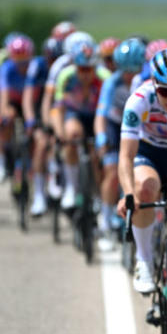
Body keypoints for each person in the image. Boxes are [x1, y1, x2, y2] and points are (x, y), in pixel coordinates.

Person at [115, 47, 167, 295]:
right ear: (154, 84)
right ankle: (144, 260)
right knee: (145, 189)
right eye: (164, 91)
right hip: (150, 154)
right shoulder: (139, 100)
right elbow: (126, 155)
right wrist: (129, 193)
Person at [94, 37, 146, 247]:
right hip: (115, 128)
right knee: (112, 172)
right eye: (125, 70)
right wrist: (100, 138)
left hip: (138, 129)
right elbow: (101, 115)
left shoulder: (144, 81)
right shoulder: (111, 83)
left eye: (134, 70)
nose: (129, 75)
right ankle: (105, 223)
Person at [53, 38, 109, 209]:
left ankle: (98, 194)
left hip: (97, 115)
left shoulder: (104, 78)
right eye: (82, 69)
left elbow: (108, 112)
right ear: (75, 66)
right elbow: (58, 109)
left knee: (97, 157)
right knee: (72, 135)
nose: (85, 74)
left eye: (89, 69)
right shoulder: (66, 76)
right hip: (74, 113)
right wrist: (59, 132)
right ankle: (72, 186)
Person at [23, 37, 64, 216]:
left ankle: (59, 176)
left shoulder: (64, 68)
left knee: (60, 142)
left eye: (55, 58)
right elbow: (28, 95)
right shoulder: (37, 66)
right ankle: (39, 195)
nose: (52, 62)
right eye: (49, 58)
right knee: (40, 144)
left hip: (61, 110)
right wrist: (30, 119)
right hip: (42, 109)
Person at [0, 35, 34, 183]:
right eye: (18, 59)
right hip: (13, 102)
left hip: (31, 103)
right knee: (5, 120)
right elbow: (3, 95)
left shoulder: (34, 67)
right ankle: (2, 158)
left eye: (25, 59)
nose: (22, 63)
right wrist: (2, 115)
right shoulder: (7, 68)